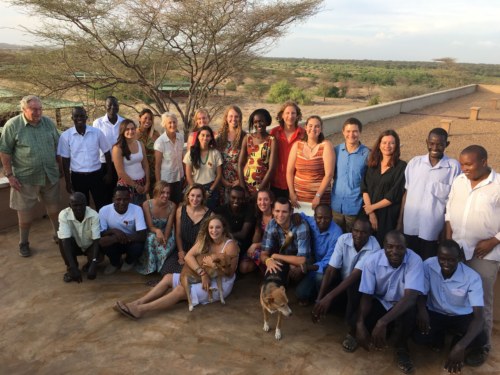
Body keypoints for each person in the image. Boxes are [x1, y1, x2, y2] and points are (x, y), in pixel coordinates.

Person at [113, 215, 239, 319]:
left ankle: (140, 310)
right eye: (211, 227)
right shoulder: (207, 240)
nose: (214, 231)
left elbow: (230, 273)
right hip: (205, 276)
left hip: (221, 283)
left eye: (218, 227)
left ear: (223, 229)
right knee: (168, 278)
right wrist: (202, 272)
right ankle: (137, 302)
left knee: (180, 290)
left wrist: (213, 265)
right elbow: (188, 257)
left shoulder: (230, 245)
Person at [445, 145, 500, 352]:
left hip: (484, 255)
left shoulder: (498, 185)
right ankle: (458, 337)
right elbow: (449, 211)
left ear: (484, 162)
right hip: (457, 252)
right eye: (461, 164)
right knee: (457, 296)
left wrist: (494, 241)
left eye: (468, 164)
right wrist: (449, 242)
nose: (464, 168)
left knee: (482, 302)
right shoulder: (459, 181)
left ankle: (482, 346)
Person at [0, 95, 61, 257]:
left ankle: (58, 235)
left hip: (49, 175)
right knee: (25, 215)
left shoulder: (48, 123)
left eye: (40, 109)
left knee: (54, 209)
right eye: (34, 109)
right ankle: (24, 243)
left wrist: (60, 168)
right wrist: (9, 175)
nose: (38, 112)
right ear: (24, 110)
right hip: (25, 178)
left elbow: (58, 146)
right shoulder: (13, 125)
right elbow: (5, 151)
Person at [355, 230, 424, 374]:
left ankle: (402, 347)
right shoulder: (372, 261)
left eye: (400, 247)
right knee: (358, 320)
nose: (395, 251)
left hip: (403, 303)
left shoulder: (415, 260)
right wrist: (360, 323)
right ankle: (359, 330)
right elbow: (366, 296)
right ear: (383, 246)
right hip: (382, 301)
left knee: (409, 312)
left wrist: (382, 322)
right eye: (390, 247)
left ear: (406, 248)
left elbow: (410, 297)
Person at [415, 240, 488, 372]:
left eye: (451, 260)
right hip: (435, 313)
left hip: (460, 316)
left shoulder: (472, 277)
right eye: (442, 259)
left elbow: (479, 318)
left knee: (481, 337)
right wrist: (422, 311)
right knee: (417, 336)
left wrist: (461, 346)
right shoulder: (428, 265)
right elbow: (422, 293)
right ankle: (439, 336)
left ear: (459, 258)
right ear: (437, 256)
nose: (446, 264)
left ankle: (458, 341)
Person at [312, 217, 380, 353]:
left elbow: (355, 276)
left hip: (360, 288)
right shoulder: (343, 239)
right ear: (351, 230)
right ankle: (341, 309)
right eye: (356, 231)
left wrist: (329, 297)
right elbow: (331, 269)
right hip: (343, 283)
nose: (359, 235)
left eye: (364, 232)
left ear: (370, 233)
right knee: (323, 278)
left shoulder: (375, 248)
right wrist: (320, 300)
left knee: (355, 287)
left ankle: (353, 332)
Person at [398, 128, 461, 259]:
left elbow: (453, 201)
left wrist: (445, 229)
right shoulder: (414, 163)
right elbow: (407, 193)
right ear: (427, 142)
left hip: (433, 229)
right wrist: (400, 222)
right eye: (431, 143)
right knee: (409, 260)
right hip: (410, 225)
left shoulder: (453, 167)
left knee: (429, 262)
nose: (435, 147)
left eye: (440, 144)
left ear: (447, 144)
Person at [58, 106, 112, 212]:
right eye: (76, 116)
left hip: (97, 175)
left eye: (82, 116)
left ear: (86, 117)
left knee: (102, 203)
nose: (79, 118)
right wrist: (68, 182)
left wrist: (109, 173)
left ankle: (102, 227)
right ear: (72, 118)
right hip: (78, 177)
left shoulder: (97, 133)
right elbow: (65, 160)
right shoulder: (65, 136)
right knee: (82, 206)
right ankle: (86, 227)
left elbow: (107, 153)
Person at [361, 129, 406, 246]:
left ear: (396, 146)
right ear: (379, 144)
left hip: (387, 215)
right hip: (367, 212)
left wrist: (371, 208)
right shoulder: (373, 164)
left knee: (382, 246)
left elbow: (394, 195)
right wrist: (371, 213)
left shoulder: (401, 167)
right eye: (384, 142)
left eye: (392, 143)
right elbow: (364, 188)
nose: (387, 146)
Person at [287, 115, 334, 215]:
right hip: (298, 199)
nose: (313, 129)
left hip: (319, 200)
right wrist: (291, 193)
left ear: (321, 129)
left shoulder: (326, 145)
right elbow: (289, 172)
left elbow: (329, 174)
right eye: (310, 126)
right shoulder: (297, 145)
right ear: (305, 127)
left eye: (317, 126)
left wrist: (318, 196)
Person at [295, 204, 343, 304]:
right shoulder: (312, 221)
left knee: (320, 277)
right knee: (300, 294)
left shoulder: (337, 233)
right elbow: (301, 215)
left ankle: (323, 299)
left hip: (330, 270)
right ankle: (314, 294)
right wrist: (297, 216)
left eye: (327, 218)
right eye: (319, 217)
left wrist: (306, 267)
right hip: (314, 265)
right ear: (315, 216)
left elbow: (328, 262)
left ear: (332, 217)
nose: (322, 221)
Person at [161, 184, 212, 274]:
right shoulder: (181, 210)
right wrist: (181, 252)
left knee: (190, 271)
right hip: (182, 246)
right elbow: (178, 234)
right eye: (192, 195)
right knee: (166, 269)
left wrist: (191, 255)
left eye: (198, 196)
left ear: (203, 197)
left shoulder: (210, 215)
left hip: (198, 250)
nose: (195, 199)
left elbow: (206, 239)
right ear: (188, 196)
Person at [331, 118, 370, 233]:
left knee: (353, 238)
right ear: (343, 132)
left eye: (355, 131)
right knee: (336, 238)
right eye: (348, 131)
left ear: (360, 132)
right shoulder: (336, 151)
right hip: (336, 206)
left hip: (355, 207)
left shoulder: (367, 154)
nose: (351, 134)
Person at [260, 197, 311, 281]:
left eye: (284, 212)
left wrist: (275, 256)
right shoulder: (271, 224)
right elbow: (263, 254)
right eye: (277, 211)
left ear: (291, 212)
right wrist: (268, 260)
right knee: (273, 269)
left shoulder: (301, 226)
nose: (280, 215)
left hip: (297, 261)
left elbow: (302, 260)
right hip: (284, 258)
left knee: (296, 272)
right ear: (272, 211)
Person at [99, 186, 147, 275]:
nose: (122, 202)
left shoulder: (137, 209)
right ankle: (115, 263)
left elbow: (142, 235)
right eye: (118, 199)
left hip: (131, 240)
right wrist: (114, 231)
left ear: (130, 199)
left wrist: (119, 237)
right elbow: (101, 233)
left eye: (125, 199)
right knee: (103, 243)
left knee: (138, 247)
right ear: (113, 199)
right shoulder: (104, 210)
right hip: (113, 241)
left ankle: (129, 261)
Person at [57, 192, 100, 283]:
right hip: (75, 245)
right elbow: (66, 241)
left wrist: (94, 262)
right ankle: (71, 269)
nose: (79, 208)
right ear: (70, 205)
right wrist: (73, 267)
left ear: (86, 204)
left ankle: (90, 264)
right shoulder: (64, 215)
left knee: (98, 257)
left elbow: (96, 240)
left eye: (81, 205)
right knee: (61, 240)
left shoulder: (94, 215)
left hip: (89, 245)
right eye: (75, 205)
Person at [135, 181, 177, 275]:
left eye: (168, 193)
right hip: (152, 231)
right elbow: (150, 226)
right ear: (156, 192)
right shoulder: (147, 204)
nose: (165, 195)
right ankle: (150, 268)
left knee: (165, 246)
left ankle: (161, 270)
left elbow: (169, 225)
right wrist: (157, 231)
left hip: (167, 231)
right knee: (151, 239)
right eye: (162, 192)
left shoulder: (172, 206)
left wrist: (165, 238)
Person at [270, 101, 305, 199]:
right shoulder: (274, 133)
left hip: (296, 183)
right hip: (275, 183)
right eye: (287, 113)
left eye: (293, 113)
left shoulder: (303, 134)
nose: (290, 116)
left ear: (298, 116)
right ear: (282, 115)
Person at [238, 108, 277, 197]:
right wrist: (243, 188)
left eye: (261, 121)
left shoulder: (272, 140)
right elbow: (240, 164)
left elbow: (272, 169)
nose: (258, 124)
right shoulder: (247, 138)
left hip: (263, 186)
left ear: (267, 122)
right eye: (255, 122)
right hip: (245, 185)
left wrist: (259, 190)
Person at [92, 96, 124, 202]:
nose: (112, 107)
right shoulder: (98, 123)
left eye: (115, 104)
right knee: (105, 194)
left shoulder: (123, 122)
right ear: (105, 106)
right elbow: (95, 144)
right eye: (109, 105)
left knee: (120, 193)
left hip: (120, 163)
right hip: (104, 164)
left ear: (118, 106)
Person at [183, 125, 222, 210]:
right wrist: (195, 189)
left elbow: (219, 175)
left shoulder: (215, 153)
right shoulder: (191, 153)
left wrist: (210, 190)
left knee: (210, 215)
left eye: (208, 136)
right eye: (203, 135)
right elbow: (188, 175)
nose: (205, 138)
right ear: (198, 137)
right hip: (195, 186)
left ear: (211, 138)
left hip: (211, 188)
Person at [112, 119, 150, 206]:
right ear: (122, 131)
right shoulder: (117, 148)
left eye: (133, 128)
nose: (131, 131)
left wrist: (147, 182)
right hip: (127, 186)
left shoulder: (140, 144)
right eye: (127, 129)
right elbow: (120, 172)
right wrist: (135, 186)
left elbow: (145, 165)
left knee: (141, 209)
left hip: (142, 183)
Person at [239, 189, 275, 274]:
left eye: (266, 199)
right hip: (262, 246)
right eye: (260, 199)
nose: (262, 202)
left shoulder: (276, 215)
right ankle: (262, 266)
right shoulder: (259, 215)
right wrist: (257, 229)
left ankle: (269, 271)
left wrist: (256, 245)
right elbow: (255, 240)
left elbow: (276, 241)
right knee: (243, 267)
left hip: (274, 247)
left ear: (271, 201)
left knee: (254, 252)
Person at [216, 105, 246, 202]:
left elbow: (249, 160)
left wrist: (240, 180)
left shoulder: (245, 137)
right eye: (231, 116)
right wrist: (222, 180)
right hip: (222, 179)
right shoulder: (219, 137)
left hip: (239, 179)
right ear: (226, 118)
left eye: (236, 116)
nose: (234, 119)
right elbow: (216, 160)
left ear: (240, 118)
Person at [154, 112, 184, 204]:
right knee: (167, 205)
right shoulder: (160, 142)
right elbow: (157, 165)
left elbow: (182, 157)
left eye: (174, 122)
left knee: (178, 203)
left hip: (179, 178)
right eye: (169, 123)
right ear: (164, 125)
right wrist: (159, 184)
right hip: (167, 181)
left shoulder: (180, 137)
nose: (172, 125)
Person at [214, 186, 255, 255]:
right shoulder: (221, 210)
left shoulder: (249, 209)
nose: (236, 201)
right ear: (229, 197)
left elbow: (243, 234)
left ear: (244, 199)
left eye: (240, 199)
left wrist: (224, 235)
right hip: (224, 242)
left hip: (243, 244)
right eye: (233, 197)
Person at [136, 108, 160, 193]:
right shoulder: (134, 134)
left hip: (154, 170)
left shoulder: (155, 134)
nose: (148, 121)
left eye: (150, 119)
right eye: (145, 118)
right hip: (140, 170)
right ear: (139, 118)